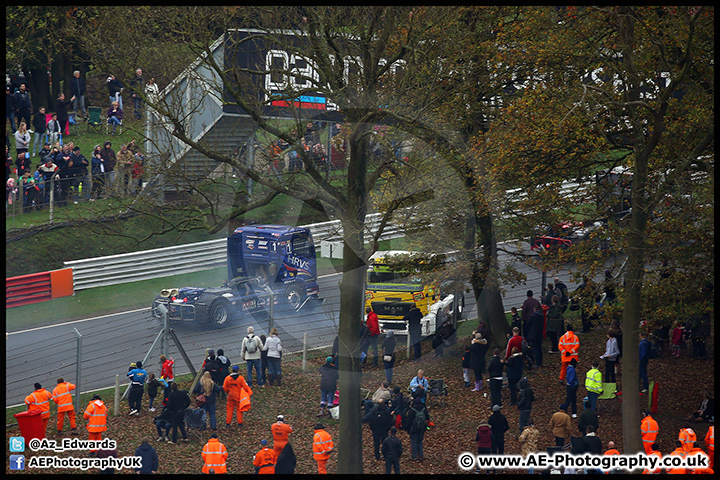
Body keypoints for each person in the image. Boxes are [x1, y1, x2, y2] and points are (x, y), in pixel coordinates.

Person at [526, 304, 545, 368]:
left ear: (534, 309)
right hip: (540, 334)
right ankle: (540, 361)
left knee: (535, 348)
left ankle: (537, 362)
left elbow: (528, 324)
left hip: (533, 334)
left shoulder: (533, 316)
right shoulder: (542, 316)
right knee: (539, 348)